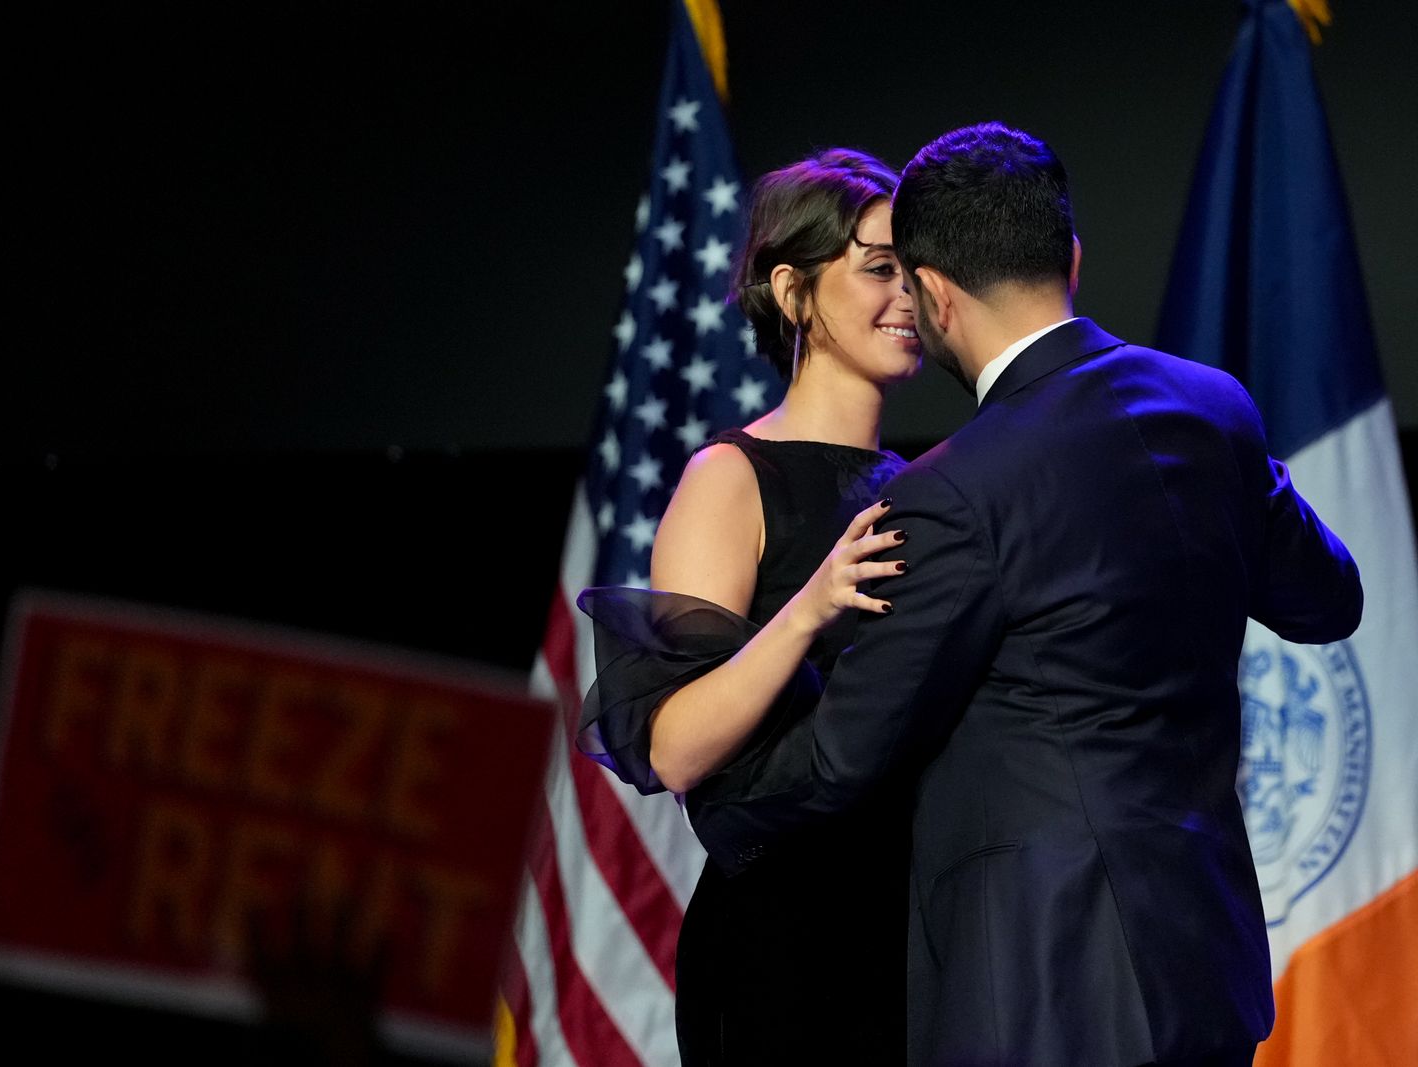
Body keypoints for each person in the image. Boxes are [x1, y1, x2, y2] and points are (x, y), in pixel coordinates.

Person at [686, 122, 1363, 1067]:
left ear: (932, 295)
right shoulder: (1214, 409)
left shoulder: (954, 487)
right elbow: (1329, 602)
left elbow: (842, 757)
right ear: (1072, 255)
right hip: (1205, 963)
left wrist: (704, 780)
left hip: (1042, 986)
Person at [577, 148, 919, 1064]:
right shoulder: (730, 479)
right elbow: (674, 746)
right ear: (794, 291)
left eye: (915, 269)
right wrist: (807, 610)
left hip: (915, 939)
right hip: (782, 948)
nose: (908, 294)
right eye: (878, 266)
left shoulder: (927, 490)